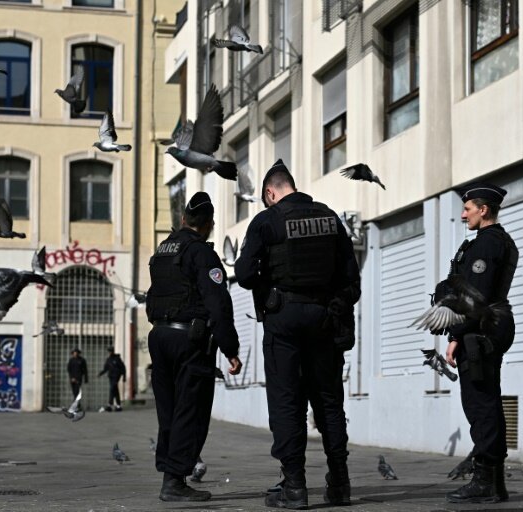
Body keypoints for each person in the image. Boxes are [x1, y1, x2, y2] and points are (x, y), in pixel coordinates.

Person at [235, 160, 361, 509]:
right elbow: (351, 278)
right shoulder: (329, 217)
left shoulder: (267, 221)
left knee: (286, 402)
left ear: (270, 193)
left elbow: (244, 274)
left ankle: (294, 487)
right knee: (329, 402)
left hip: (284, 320)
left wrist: (269, 282)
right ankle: (340, 483)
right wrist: (332, 304)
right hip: (324, 320)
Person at [145, 191, 242, 503]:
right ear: (209, 224)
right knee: (191, 410)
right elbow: (218, 302)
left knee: (169, 411)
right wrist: (230, 348)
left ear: (183, 219)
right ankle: (175, 480)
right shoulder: (202, 253)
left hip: (159, 336)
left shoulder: (163, 249)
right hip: (189, 340)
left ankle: (170, 475)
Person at [441, 183, 519, 504]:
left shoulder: (487, 245)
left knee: (480, 404)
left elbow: (476, 298)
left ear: (483, 210)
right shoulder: (498, 241)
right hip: (490, 327)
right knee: (488, 400)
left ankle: (485, 481)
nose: (463, 215)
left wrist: (456, 335)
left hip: (481, 331)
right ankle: (494, 483)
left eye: (468, 209)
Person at [98, 347, 126, 412]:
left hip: (116, 376)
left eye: (111, 351)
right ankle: (118, 405)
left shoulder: (117, 359)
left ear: (113, 351)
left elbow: (123, 368)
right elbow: (106, 369)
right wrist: (100, 374)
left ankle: (109, 405)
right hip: (111, 376)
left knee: (112, 389)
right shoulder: (108, 360)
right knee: (115, 390)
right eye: (109, 351)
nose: (110, 352)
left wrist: (124, 377)